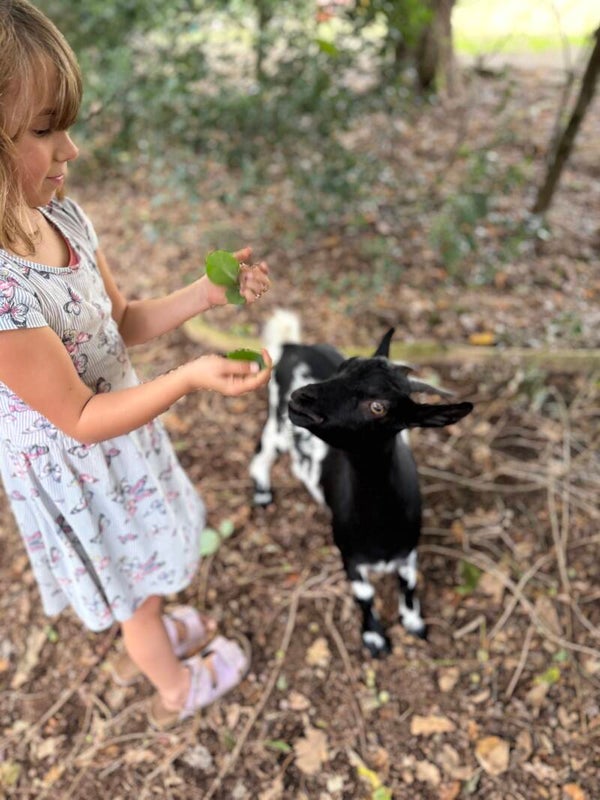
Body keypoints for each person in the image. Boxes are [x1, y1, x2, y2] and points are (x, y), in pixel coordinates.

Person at [0, 0, 273, 728]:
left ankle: (153, 621)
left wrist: (204, 295)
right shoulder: (3, 293)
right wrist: (186, 378)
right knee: (134, 596)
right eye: (43, 130)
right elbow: (79, 416)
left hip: (119, 442)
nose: (71, 150)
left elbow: (119, 322)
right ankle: (174, 684)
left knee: (144, 565)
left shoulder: (61, 216)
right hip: (81, 466)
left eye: (67, 125)